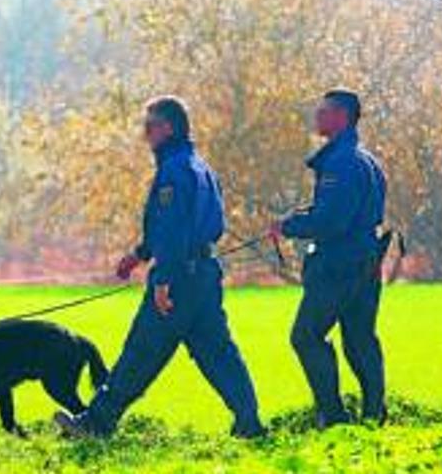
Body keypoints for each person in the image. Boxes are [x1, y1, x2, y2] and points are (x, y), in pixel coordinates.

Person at [54, 95, 264, 438]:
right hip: (205, 275)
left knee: (141, 351)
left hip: (178, 278)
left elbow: (174, 228)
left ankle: (96, 423)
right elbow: (207, 225)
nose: (144, 134)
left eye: (149, 126)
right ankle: (249, 422)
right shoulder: (201, 167)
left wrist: (164, 279)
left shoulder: (173, 171)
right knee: (219, 354)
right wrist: (140, 254)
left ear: (168, 128)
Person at [269, 89, 388, 428]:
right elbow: (344, 212)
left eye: (323, 112)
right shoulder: (365, 159)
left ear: (341, 117)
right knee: (360, 338)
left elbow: (331, 221)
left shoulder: (340, 162)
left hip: (339, 265)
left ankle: (334, 417)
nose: (317, 118)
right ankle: (374, 415)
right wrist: (300, 217)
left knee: (305, 336)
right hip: (367, 260)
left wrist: (290, 226)